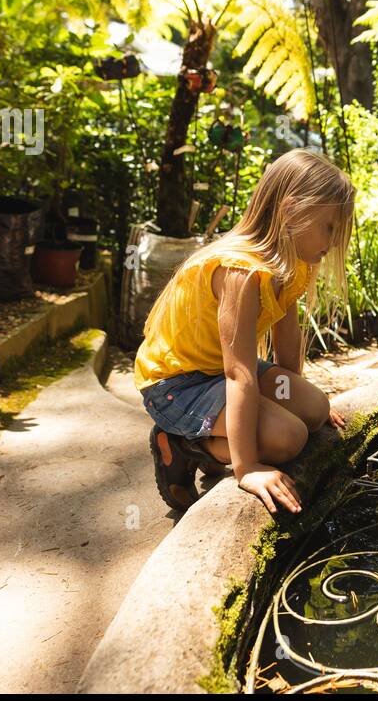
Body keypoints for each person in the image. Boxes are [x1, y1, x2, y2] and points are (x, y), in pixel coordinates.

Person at [134, 148, 354, 515]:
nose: (332, 241)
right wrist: (247, 468)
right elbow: (239, 373)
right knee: (288, 439)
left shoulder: (294, 264)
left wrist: (293, 400)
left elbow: (287, 341)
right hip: (177, 385)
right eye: (329, 226)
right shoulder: (241, 272)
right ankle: (181, 442)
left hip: (217, 373)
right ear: (292, 210)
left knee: (315, 411)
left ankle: (223, 435)